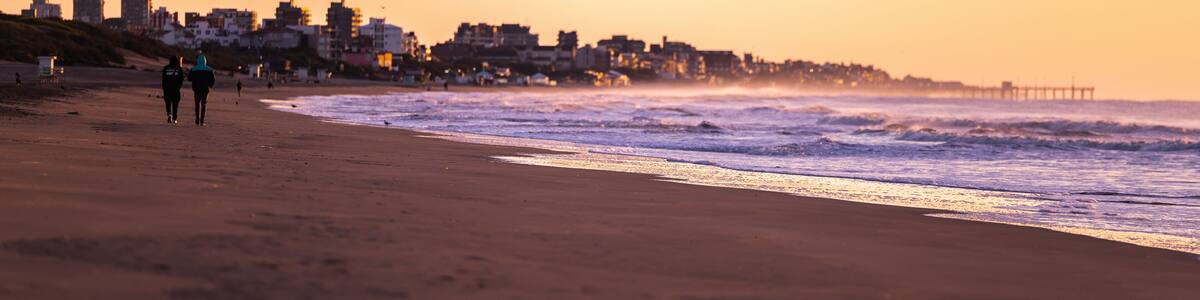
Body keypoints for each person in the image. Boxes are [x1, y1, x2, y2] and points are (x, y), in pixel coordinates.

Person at [188, 54, 216, 126]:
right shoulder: (209, 69)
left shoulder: (193, 69)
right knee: (204, 105)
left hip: (196, 89)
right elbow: (213, 80)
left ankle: (197, 120)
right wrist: (210, 86)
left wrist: (195, 80)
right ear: (205, 61)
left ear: (197, 61)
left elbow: (189, 79)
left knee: (197, 105)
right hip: (205, 90)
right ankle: (202, 121)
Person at [161, 56, 185, 123]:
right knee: (175, 104)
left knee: (168, 103)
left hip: (167, 88)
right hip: (176, 89)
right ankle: (175, 119)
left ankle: (169, 115)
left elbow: (163, 79)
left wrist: (164, 88)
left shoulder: (166, 68)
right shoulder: (179, 69)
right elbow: (181, 79)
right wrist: (179, 86)